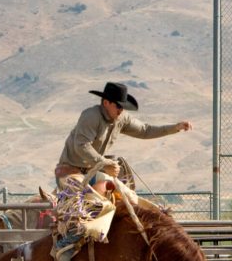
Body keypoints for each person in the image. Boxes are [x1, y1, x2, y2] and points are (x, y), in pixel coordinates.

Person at [55, 81, 192, 194]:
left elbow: (145, 131)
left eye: (123, 107)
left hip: (93, 171)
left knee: (126, 195)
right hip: (70, 172)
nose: (121, 110)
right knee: (84, 204)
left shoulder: (122, 118)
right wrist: (105, 163)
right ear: (106, 103)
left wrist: (175, 127)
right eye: (118, 106)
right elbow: (82, 146)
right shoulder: (91, 116)